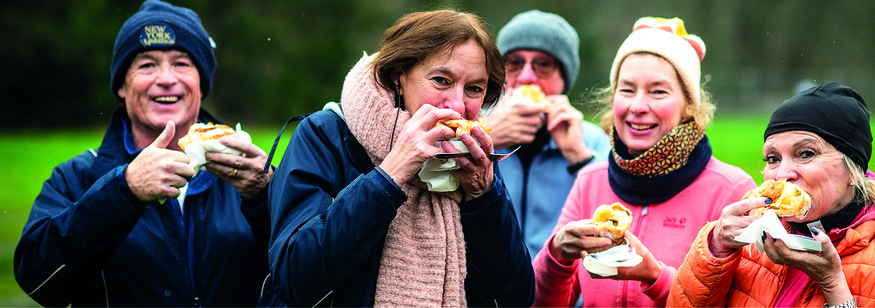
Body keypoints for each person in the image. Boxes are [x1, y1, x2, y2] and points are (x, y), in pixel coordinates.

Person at [13, 1, 277, 306]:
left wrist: (264, 196)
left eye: (181, 63)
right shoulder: (76, 178)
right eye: (147, 64)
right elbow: (38, 281)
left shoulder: (251, 171)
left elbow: (310, 275)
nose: (166, 78)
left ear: (201, 84)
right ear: (122, 86)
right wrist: (124, 190)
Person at [265, 10, 535, 307]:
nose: (457, 104)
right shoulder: (324, 135)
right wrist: (391, 172)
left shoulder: (474, 158)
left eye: (474, 89)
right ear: (398, 78)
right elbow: (294, 280)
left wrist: (484, 194)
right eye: (442, 80)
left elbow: (514, 298)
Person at [532, 17, 756, 307]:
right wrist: (556, 255)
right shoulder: (591, 180)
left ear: (688, 105)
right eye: (627, 90)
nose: (637, 106)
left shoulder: (730, 190)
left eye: (658, 91)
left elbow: (741, 301)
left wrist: (654, 276)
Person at [667, 82, 875, 307]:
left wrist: (832, 284)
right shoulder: (754, 235)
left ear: (854, 168)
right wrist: (716, 246)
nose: (782, 175)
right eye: (772, 158)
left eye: (806, 153)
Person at [489, 10, 612, 258]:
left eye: (543, 65)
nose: (526, 78)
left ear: (564, 80)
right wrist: (485, 137)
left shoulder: (593, 141)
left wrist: (579, 157)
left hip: (564, 291)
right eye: (514, 63)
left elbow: (615, 227)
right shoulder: (471, 127)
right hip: (486, 294)